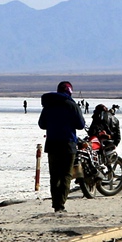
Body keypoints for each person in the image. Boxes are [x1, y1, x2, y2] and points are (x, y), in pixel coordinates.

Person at [38, 81, 86, 212]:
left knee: (55, 175)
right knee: (66, 174)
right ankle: (60, 204)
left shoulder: (49, 105)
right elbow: (81, 124)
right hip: (68, 144)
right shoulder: (71, 105)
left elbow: (42, 124)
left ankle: (55, 203)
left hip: (52, 143)